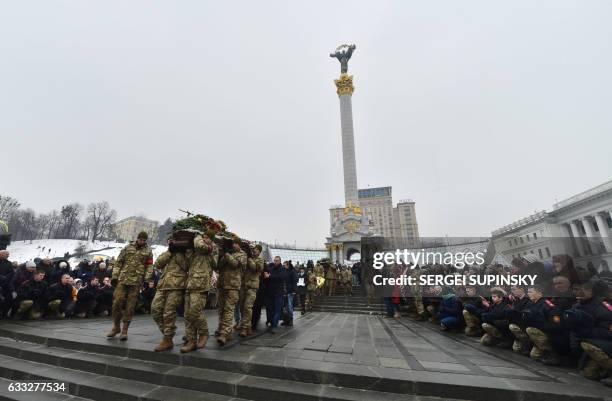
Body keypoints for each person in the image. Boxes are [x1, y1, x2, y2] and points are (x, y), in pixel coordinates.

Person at [106, 231, 154, 341]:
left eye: (144, 240)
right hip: (123, 280)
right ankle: (116, 327)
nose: (142, 241)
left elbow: (150, 266)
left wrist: (147, 279)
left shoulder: (148, 251)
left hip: (136, 282)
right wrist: (114, 277)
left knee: (130, 306)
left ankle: (124, 331)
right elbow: (119, 262)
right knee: (117, 302)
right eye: (140, 239)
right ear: (137, 238)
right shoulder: (127, 248)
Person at [151, 240, 191, 352]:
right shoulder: (169, 251)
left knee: (169, 313)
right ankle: (168, 335)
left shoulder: (186, 253)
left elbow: (187, 266)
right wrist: (170, 251)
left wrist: (179, 252)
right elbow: (158, 263)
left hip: (176, 286)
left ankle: (167, 339)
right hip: (163, 285)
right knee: (155, 310)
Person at [181, 231, 218, 353]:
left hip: (201, 285)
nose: (204, 239)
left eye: (207, 237)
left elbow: (215, 264)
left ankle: (203, 333)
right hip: (190, 284)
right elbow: (187, 264)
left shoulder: (212, 249)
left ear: (211, 240)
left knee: (195, 312)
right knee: (187, 315)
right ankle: (191, 341)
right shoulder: (196, 249)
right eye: (204, 237)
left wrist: (201, 241)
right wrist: (188, 251)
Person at [216, 237, 247, 346]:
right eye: (232, 244)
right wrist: (223, 255)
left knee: (229, 310)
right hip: (223, 285)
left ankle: (224, 333)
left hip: (233, 286)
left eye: (235, 244)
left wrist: (227, 255)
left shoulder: (242, 255)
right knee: (221, 309)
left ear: (239, 245)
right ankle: (222, 330)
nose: (234, 246)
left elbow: (235, 264)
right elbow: (218, 266)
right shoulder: (228, 254)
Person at [238, 244, 264, 337]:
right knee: (241, 306)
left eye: (256, 250)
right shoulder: (248, 258)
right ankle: (247, 326)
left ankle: (245, 328)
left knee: (247, 307)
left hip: (252, 287)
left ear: (259, 251)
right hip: (244, 285)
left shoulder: (260, 260)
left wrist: (249, 259)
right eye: (253, 250)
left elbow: (255, 268)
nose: (254, 251)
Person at [264, 256, 286, 334]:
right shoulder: (271, 268)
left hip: (278, 293)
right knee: (270, 309)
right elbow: (267, 276)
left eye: (277, 261)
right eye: (274, 260)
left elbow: (280, 277)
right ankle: (271, 323)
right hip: (270, 292)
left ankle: (274, 325)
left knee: (277, 310)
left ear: (280, 261)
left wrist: (270, 276)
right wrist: (266, 275)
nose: (275, 262)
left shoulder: (282, 269)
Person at [282, 261, 296, 326]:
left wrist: (294, 290)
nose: (283, 266)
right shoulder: (283, 271)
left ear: (288, 265)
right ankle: (285, 320)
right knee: (284, 307)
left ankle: (291, 320)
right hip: (283, 291)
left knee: (290, 306)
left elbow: (294, 281)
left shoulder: (292, 272)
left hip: (290, 291)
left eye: (284, 265)